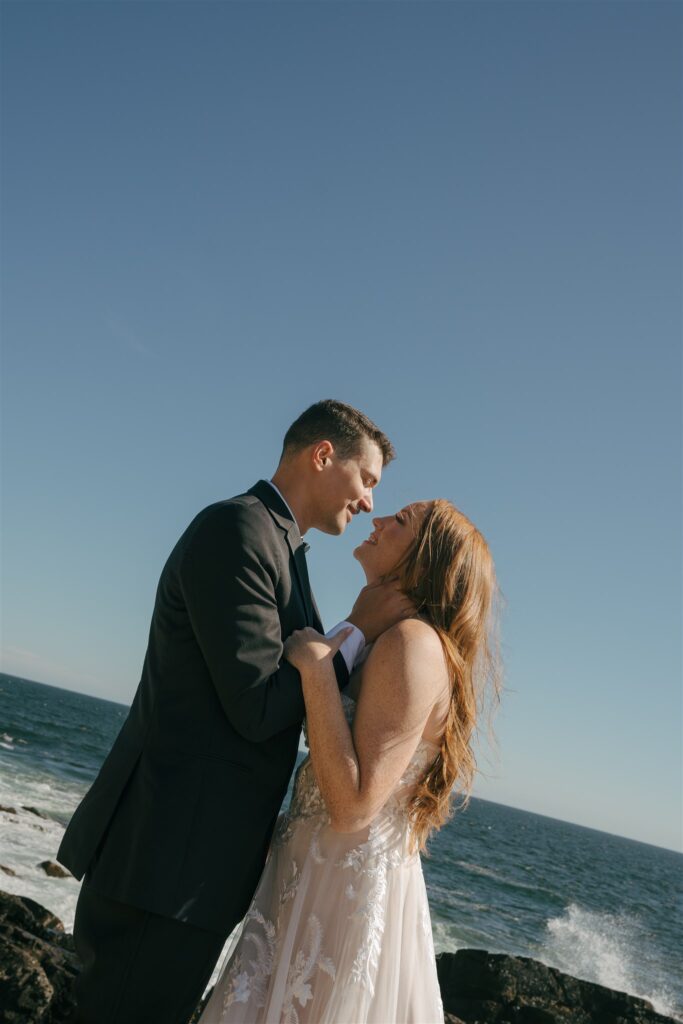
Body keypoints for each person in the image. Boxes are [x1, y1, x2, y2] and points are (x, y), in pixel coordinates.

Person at [56, 399, 411, 1024]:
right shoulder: (238, 532)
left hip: (191, 875)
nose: (368, 505)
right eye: (367, 480)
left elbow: (304, 679)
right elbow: (257, 706)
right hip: (163, 867)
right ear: (323, 456)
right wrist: (359, 630)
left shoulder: (286, 551)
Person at [198, 497, 503, 1023]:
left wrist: (318, 671)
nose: (377, 520)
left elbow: (354, 807)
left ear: (426, 561)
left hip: (341, 899)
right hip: (314, 881)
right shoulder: (391, 638)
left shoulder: (413, 644)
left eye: (400, 521)